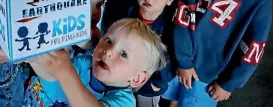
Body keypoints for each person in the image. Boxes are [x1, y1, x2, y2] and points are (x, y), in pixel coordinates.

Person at [23, 19, 167, 107]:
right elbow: (51, 74)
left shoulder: (125, 101)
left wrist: (65, 70)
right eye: (108, 41)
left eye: (123, 54)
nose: (109, 51)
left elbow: (62, 72)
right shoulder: (84, 63)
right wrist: (34, 60)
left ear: (137, 78)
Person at [128, 0, 181, 107]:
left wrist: (158, 82)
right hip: (125, 78)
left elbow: (170, 59)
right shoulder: (129, 13)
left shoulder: (168, 28)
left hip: (149, 84)